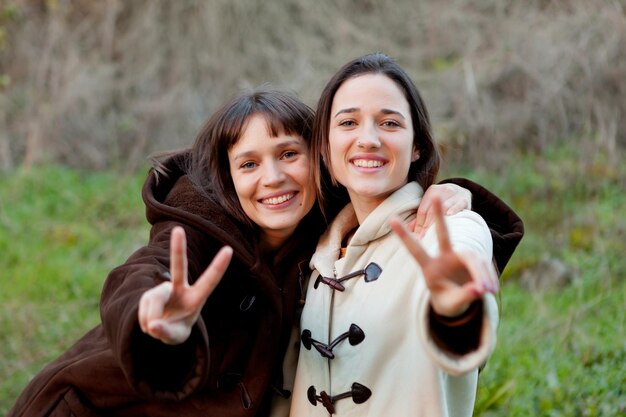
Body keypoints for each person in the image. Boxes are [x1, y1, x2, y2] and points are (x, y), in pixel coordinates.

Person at [8, 87, 522, 416]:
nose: (272, 178)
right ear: (227, 179)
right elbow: (146, 271)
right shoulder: (199, 231)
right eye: (248, 164)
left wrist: (455, 191)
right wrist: (155, 316)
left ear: (318, 160)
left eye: (288, 154)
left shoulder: (327, 232)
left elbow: (380, 184)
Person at [288, 53, 517, 416]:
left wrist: (456, 307)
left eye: (389, 123)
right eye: (348, 122)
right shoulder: (314, 253)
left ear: (417, 146)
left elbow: (464, 280)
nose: (368, 139)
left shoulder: (451, 229)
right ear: (325, 150)